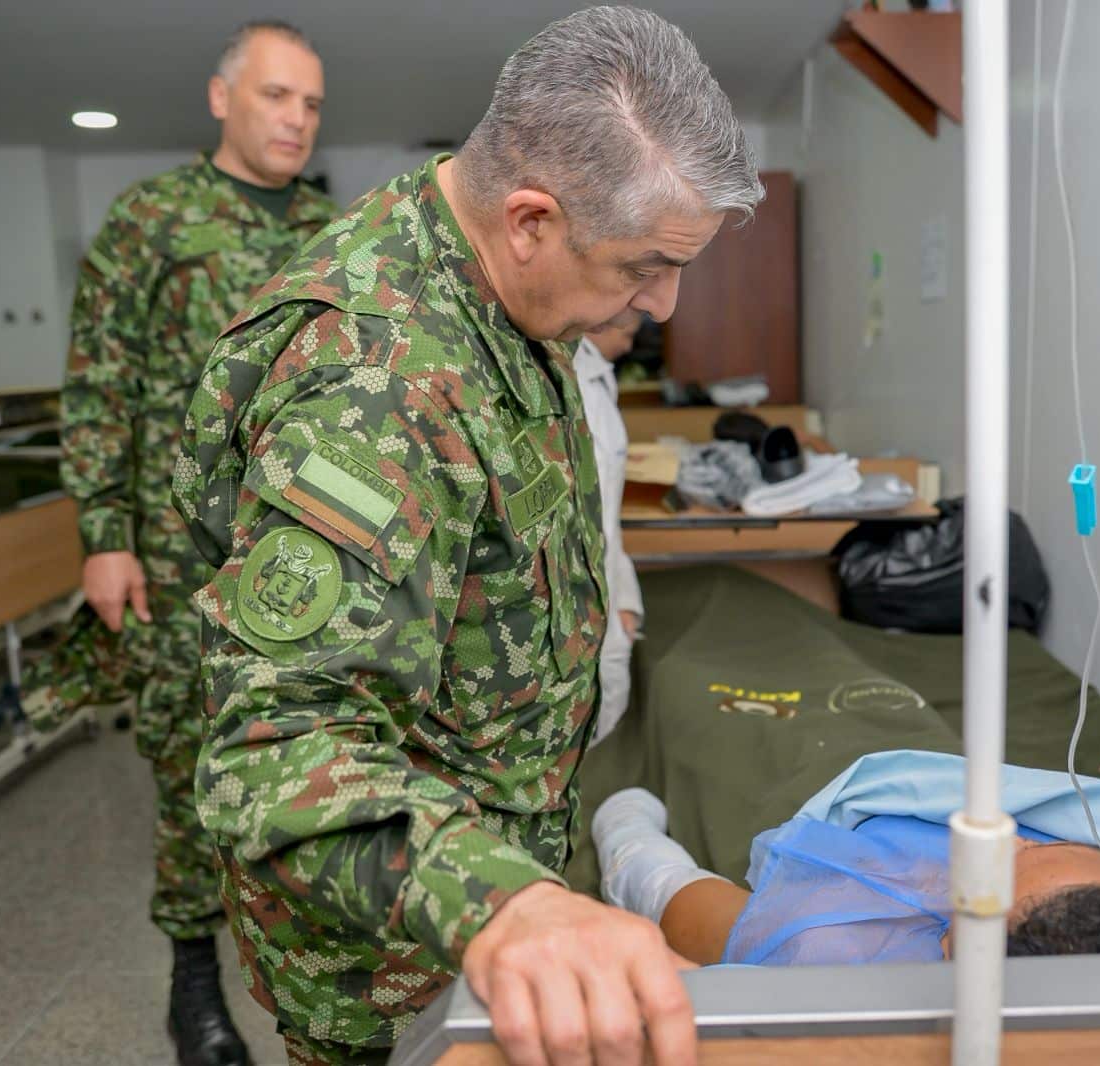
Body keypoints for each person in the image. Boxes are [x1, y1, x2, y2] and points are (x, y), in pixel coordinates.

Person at [170, 8, 762, 1064]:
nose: (662, 302)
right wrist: (506, 904)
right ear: (530, 219)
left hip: (489, 857)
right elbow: (276, 744)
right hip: (386, 951)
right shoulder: (374, 382)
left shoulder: (493, 278)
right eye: (643, 265)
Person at [22, 20, 336, 1066]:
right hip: (172, 553)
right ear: (221, 99)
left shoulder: (337, 232)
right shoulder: (149, 220)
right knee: (186, 763)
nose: (295, 118)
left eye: (311, 104)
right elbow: (100, 385)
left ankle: (307, 960)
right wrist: (104, 536)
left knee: (307, 752)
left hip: (302, 554)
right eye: (276, 95)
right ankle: (193, 979)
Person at [594, 749, 1100, 968]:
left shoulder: (827, 940)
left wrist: (625, 831)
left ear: (949, 946)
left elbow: (673, 894)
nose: (1019, 831)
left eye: (1021, 852)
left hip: (882, 824)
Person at [572, 319, 645, 744]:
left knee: (608, 697)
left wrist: (626, 598)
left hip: (604, 578)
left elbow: (607, 513)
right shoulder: (569, 376)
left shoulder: (599, 376)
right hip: (577, 590)